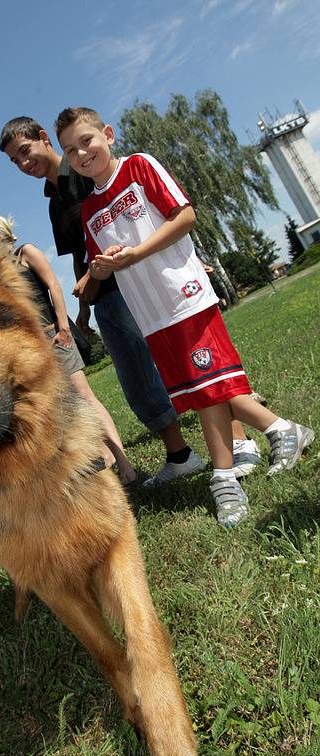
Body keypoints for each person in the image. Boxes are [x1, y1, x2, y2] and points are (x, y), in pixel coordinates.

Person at [54, 106, 315, 527]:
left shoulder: (139, 167)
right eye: (71, 150)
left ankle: (224, 477)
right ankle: (281, 430)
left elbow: (184, 215)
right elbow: (104, 264)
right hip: (150, 314)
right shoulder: (89, 211)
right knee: (197, 391)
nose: (82, 153)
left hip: (184, 295)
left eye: (87, 141)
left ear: (108, 134)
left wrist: (138, 253)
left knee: (208, 385)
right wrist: (96, 274)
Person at [0, 116, 208, 486]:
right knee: (136, 378)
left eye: (25, 151)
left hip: (137, 276)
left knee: (187, 357)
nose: (23, 163)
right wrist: (83, 306)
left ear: (44, 138)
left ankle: (238, 436)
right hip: (106, 295)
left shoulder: (83, 169)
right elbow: (81, 254)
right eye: (15, 161)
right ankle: (180, 454)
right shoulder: (53, 203)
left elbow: (131, 211)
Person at [0, 213, 137, 485]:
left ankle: (124, 462)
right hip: (31, 350)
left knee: (84, 396)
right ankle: (102, 459)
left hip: (54, 336)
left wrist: (62, 325)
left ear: (4, 236)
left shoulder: (26, 253)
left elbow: (53, 285)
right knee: (60, 406)